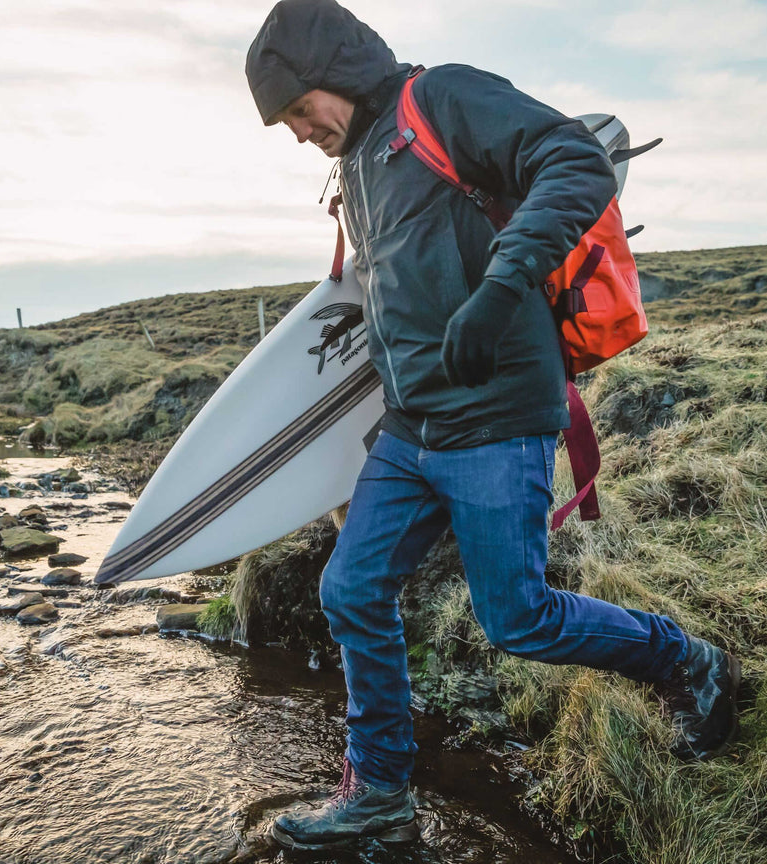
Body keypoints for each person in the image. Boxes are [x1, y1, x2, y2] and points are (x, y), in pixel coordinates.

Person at [246, 0, 741, 851]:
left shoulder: (442, 99)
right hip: (411, 430)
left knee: (518, 619)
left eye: (297, 111)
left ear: (330, 75)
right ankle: (382, 794)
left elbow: (575, 163)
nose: (298, 134)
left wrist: (503, 285)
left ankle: (689, 662)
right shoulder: (360, 166)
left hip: (500, 418)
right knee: (351, 590)